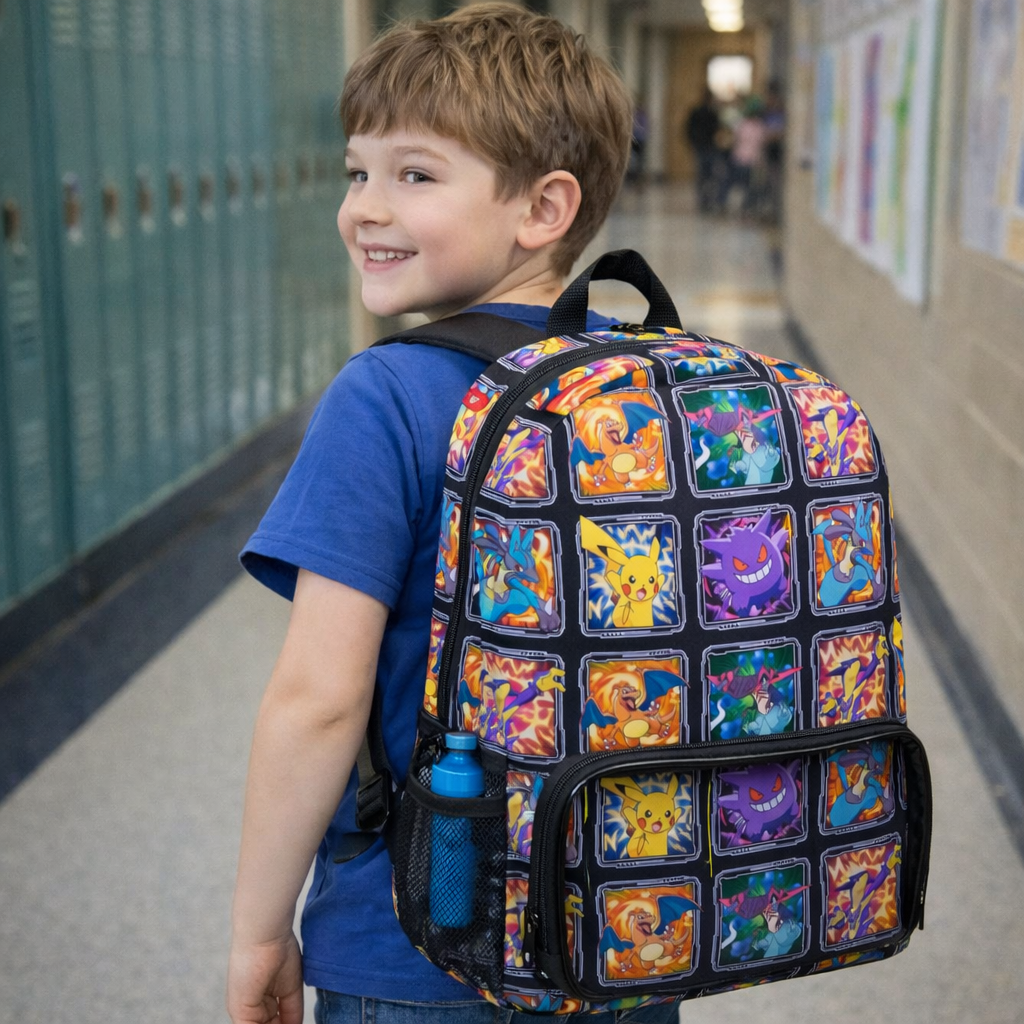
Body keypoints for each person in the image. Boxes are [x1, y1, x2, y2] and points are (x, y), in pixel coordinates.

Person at [225, 5, 680, 1024]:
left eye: (414, 175)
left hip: (415, 945)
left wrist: (258, 930)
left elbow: (318, 699)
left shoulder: (384, 397)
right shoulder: (650, 383)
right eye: (357, 171)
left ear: (543, 207)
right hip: (630, 923)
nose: (363, 208)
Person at [684, 88, 721, 212]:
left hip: (703, 146)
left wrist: (692, 143)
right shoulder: (709, 113)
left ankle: (704, 200)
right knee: (708, 175)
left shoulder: (703, 112)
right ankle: (706, 200)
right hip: (706, 146)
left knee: (704, 175)